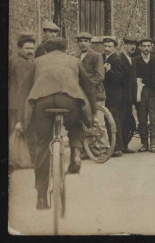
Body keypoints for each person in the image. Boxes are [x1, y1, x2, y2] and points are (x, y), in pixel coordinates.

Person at [19, 37, 98, 209]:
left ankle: (41, 197)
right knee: (76, 124)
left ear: (46, 50)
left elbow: (24, 91)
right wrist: (94, 113)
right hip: (69, 100)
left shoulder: (37, 62)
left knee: (43, 146)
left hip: (43, 102)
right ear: (65, 49)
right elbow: (89, 87)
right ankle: (76, 152)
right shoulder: (75, 61)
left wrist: (22, 119)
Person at [132, 37, 155, 153]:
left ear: (151, 47)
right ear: (140, 47)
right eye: (143, 46)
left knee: (154, 117)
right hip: (141, 91)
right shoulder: (135, 60)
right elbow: (133, 78)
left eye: (148, 46)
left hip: (153, 91)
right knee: (142, 117)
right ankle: (144, 143)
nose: (146, 48)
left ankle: (153, 143)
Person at [101, 37, 128, 157]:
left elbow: (121, 80)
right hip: (106, 93)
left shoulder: (117, 60)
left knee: (113, 119)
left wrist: (108, 71)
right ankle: (112, 146)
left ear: (115, 47)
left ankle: (117, 147)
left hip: (115, 94)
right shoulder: (102, 58)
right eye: (105, 46)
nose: (106, 48)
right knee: (108, 119)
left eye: (109, 46)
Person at [10, 34, 35, 136]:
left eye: (32, 48)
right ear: (20, 49)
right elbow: (23, 86)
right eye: (27, 48)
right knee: (17, 136)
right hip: (19, 104)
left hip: (17, 103)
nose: (30, 51)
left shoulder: (25, 61)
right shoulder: (21, 63)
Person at [119, 37, 138, 154]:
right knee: (122, 120)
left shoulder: (132, 60)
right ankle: (120, 146)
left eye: (134, 44)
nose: (133, 47)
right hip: (121, 96)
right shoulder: (120, 59)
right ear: (124, 45)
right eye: (130, 44)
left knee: (127, 120)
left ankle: (124, 145)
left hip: (129, 96)